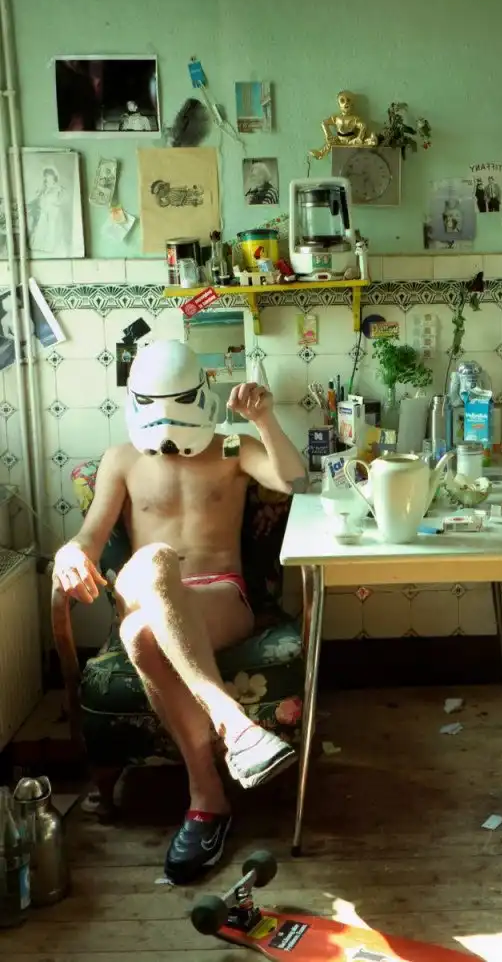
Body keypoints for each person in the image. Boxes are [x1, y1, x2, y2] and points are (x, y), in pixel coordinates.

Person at [52, 339, 308, 885]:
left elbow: (292, 480)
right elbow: (91, 535)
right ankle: (235, 726)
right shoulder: (122, 459)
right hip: (144, 586)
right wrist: (70, 553)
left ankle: (206, 799)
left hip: (219, 598)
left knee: (141, 635)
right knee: (155, 562)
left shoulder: (233, 447)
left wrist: (263, 419)